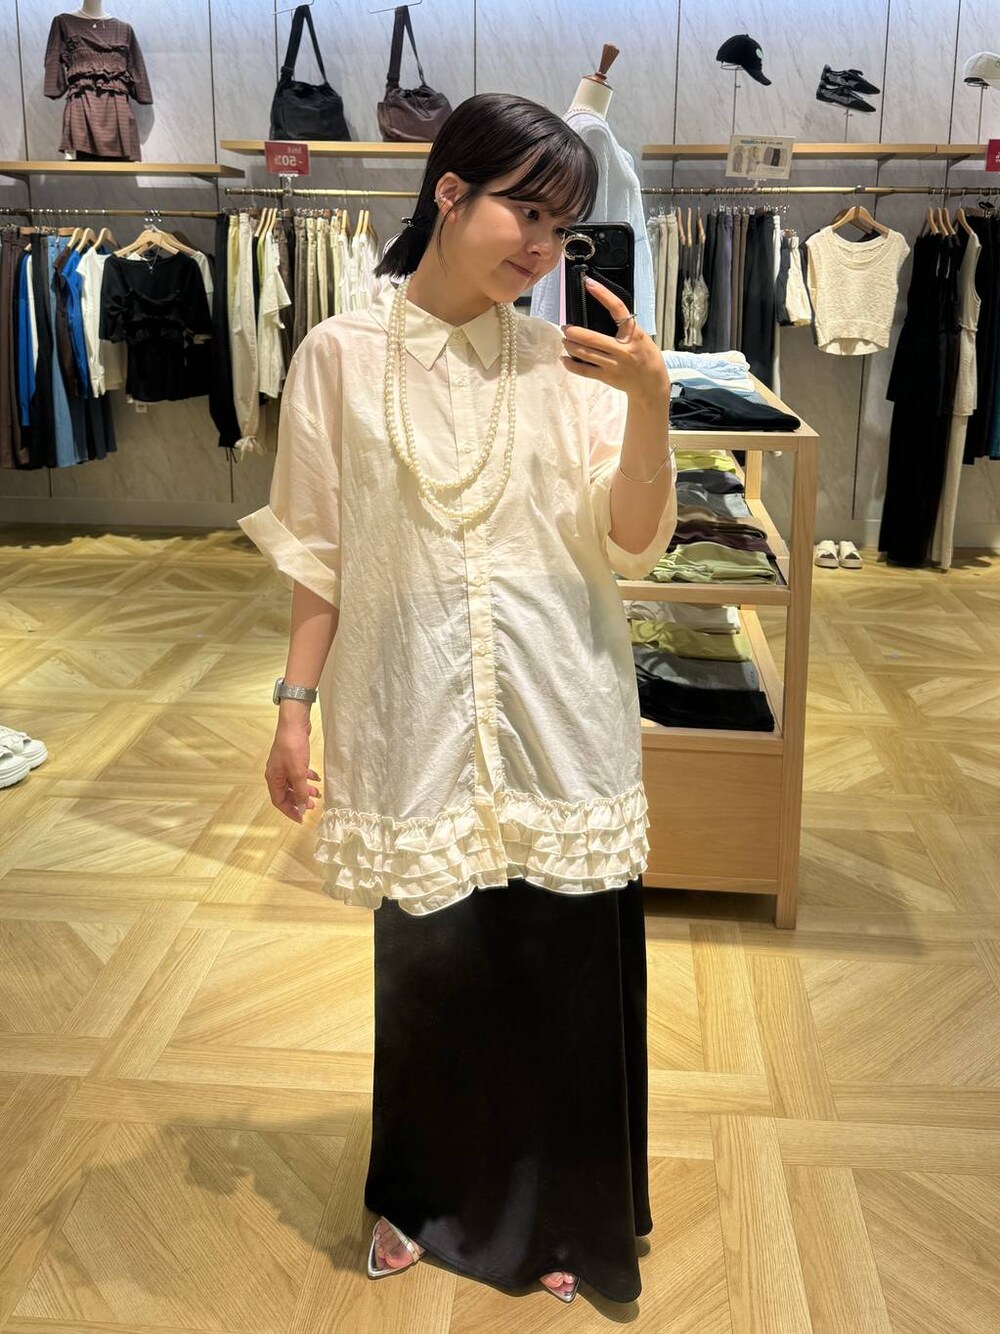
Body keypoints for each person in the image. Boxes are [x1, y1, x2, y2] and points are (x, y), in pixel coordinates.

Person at [237, 92, 677, 1306]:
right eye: (524, 213)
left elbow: (632, 536)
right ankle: (426, 1197)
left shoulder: (566, 366)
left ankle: (565, 1211)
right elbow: (319, 551)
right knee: (432, 964)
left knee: (559, 970)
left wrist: (649, 404)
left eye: (562, 228)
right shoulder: (338, 355)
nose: (542, 247)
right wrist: (292, 705)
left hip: (559, 710)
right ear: (448, 192)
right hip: (414, 710)